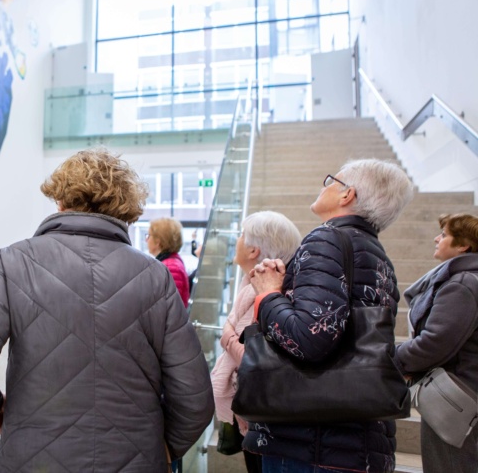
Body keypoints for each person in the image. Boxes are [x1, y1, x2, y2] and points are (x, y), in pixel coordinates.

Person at [0, 148, 215, 472]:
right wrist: (161, 446)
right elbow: (195, 399)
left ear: (61, 201)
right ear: (124, 209)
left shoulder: (16, 263)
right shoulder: (154, 277)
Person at [244, 159, 414, 473]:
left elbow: (309, 338)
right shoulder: (374, 253)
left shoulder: (326, 239)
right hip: (352, 442)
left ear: (347, 194)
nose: (323, 187)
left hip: (312, 444)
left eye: (330, 181)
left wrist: (268, 294)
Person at [211, 211, 301, 473]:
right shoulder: (250, 286)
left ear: (253, 250)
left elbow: (251, 356)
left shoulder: (259, 292)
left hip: (257, 409)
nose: (236, 241)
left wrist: (226, 335)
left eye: (241, 235)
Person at [395, 213, 478, 473]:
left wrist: (393, 355)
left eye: (444, 235)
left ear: (463, 245)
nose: (436, 238)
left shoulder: (462, 284)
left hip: (455, 399)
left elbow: (434, 343)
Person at [148, 217, 191, 307]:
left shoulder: (171, 267)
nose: (146, 240)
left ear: (158, 241)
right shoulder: (169, 263)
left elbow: (169, 307)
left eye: (149, 235)